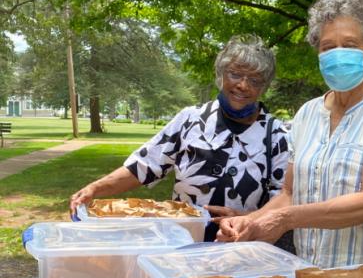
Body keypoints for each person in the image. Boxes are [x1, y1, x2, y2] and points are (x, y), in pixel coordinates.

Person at [217, 0, 363, 278]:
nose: (338, 54)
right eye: (329, 47)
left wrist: (285, 220)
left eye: (351, 45)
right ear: (318, 53)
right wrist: (249, 222)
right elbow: (290, 193)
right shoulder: (307, 114)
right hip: (313, 274)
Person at [69, 34, 290, 243]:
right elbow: (145, 165)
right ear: (221, 75)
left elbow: (284, 199)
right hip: (180, 240)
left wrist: (247, 218)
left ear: (265, 87)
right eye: (235, 74)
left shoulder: (277, 136)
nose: (243, 85)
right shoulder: (190, 119)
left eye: (255, 80)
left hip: (241, 244)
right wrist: (94, 189)